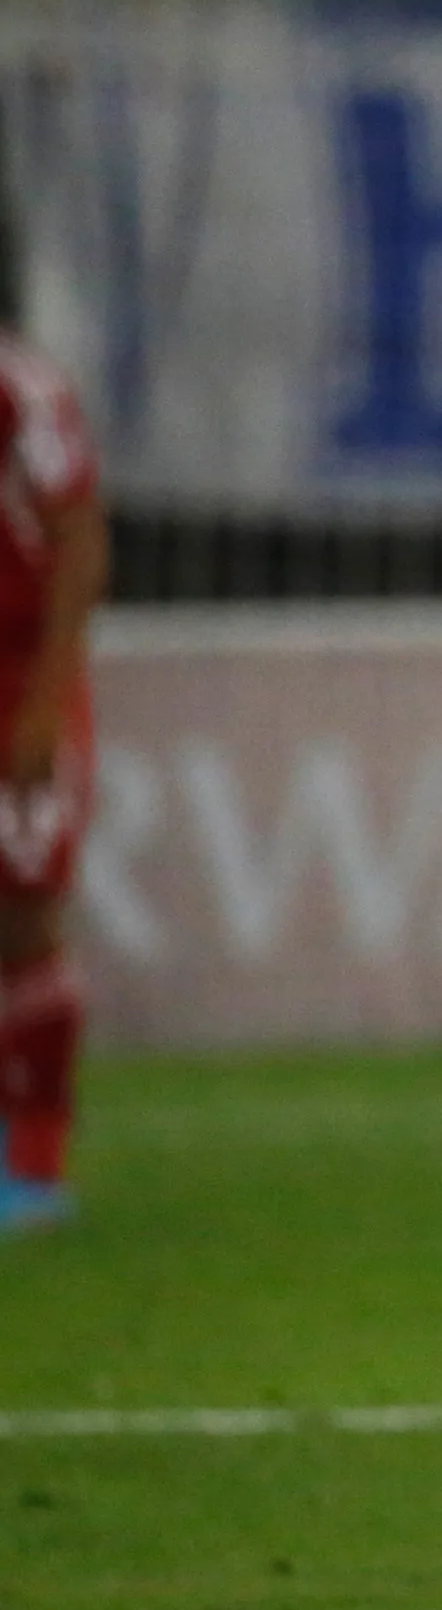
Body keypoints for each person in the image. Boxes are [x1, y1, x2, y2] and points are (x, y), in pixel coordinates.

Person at [0, 316, 102, 1236]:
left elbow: (77, 537)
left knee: (23, 911)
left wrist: (44, 702)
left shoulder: (21, 386)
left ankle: (33, 1158)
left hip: (15, 677)